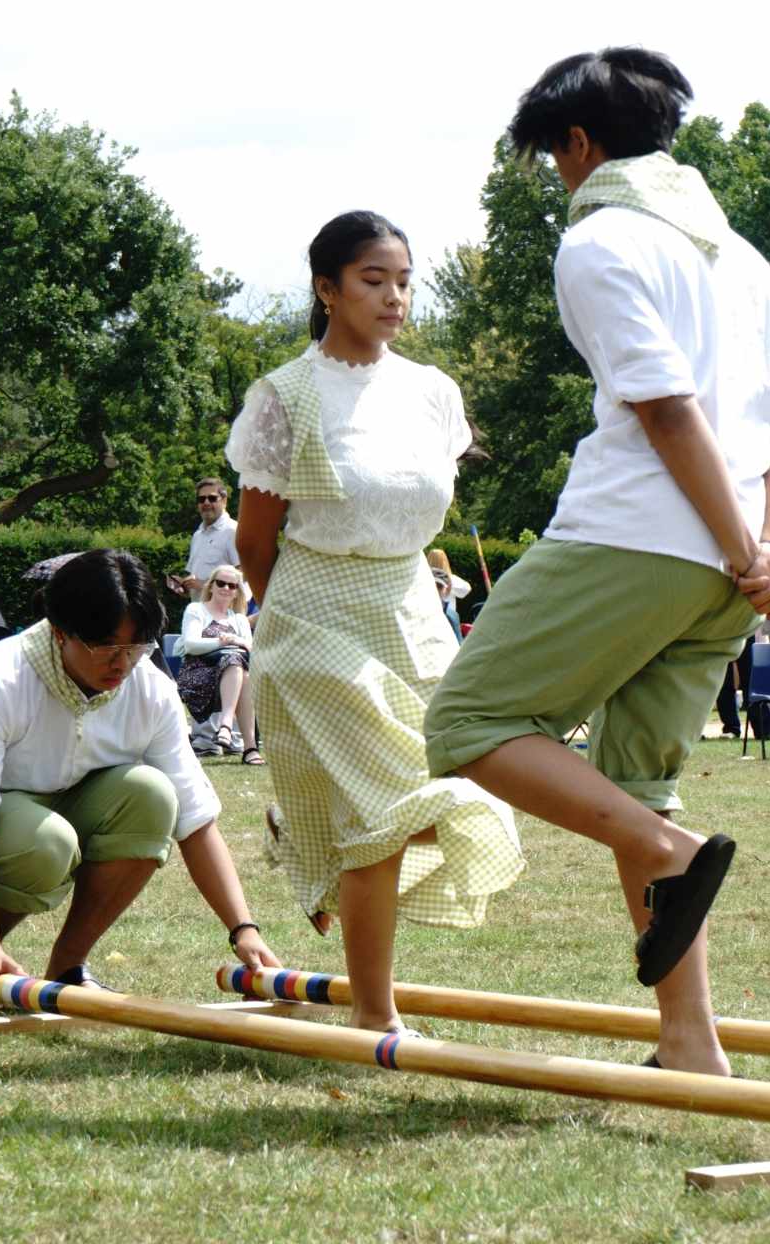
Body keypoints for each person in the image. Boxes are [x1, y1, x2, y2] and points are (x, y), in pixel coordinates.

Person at [423, 47, 770, 1077]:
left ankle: (668, 858)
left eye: (551, 156)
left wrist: (745, 548)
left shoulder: (600, 240)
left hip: (640, 536)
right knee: (639, 782)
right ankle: (690, 1043)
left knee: (469, 720)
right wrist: (768, 547)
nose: (555, 177)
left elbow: (663, 409)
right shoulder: (746, 259)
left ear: (580, 144)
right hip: (724, 566)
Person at [228, 210, 524, 1034]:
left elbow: (418, 511)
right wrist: (292, 616)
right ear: (327, 289)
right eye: (373, 280)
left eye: (403, 281)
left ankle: (302, 827)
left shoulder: (432, 391)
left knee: (453, 784)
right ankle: (374, 1015)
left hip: (411, 609)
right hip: (314, 612)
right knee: (382, 818)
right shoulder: (285, 396)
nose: (394, 296)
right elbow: (256, 543)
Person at [0, 549, 281, 1009]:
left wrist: (244, 930)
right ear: (60, 632)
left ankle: (67, 967)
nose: (121, 664)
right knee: (49, 844)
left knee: (155, 796)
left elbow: (196, 818)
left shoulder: (151, 689)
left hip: (59, 810)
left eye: (135, 647)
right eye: (105, 647)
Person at [176, 565, 262, 763]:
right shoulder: (196, 609)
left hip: (234, 675)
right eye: (221, 583)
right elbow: (191, 645)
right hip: (198, 673)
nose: (226, 588)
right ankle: (236, 735)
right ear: (211, 586)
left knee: (242, 672)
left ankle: (246, 745)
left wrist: (237, 640)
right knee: (236, 664)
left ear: (236, 592)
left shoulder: (239, 620)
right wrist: (222, 641)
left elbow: (251, 650)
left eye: (232, 586)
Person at [180, 477, 240, 597]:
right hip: (201, 611)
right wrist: (185, 586)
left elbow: (244, 575)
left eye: (212, 498)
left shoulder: (232, 531)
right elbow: (195, 577)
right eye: (201, 499)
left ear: (224, 501)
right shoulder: (198, 535)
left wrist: (205, 586)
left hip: (227, 612)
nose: (206, 503)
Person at [426, 549, 472, 643]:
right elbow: (466, 589)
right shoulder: (450, 579)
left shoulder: (422, 579)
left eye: (440, 587)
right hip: (445, 620)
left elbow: (466, 589)